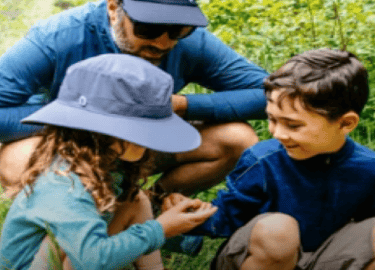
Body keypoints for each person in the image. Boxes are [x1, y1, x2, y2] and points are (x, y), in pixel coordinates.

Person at [162, 49, 375, 270]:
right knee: (278, 229)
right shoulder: (263, 159)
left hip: (325, 258)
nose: (277, 133)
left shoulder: (372, 171)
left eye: (293, 125)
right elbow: (227, 218)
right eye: (272, 119)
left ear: (345, 123)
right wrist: (187, 218)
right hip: (260, 257)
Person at [0, 0, 268, 197]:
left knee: (238, 139)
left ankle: (151, 208)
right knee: (18, 161)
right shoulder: (58, 37)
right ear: (114, 9)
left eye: (177, 31)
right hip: (70, 145)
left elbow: (270, 94)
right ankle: (70, 227)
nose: (163, 43)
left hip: (141, 144)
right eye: (147, 29)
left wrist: (183, 106)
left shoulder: (192, 43)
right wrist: (86, 118)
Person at [0, 54, 218, 270]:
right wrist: (161, 229)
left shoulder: (101, 161)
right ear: (96, 130)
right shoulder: (64, 184)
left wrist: (168, 212)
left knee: (134, 199)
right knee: (75, 249)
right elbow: (92, 260)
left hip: (80, 253)